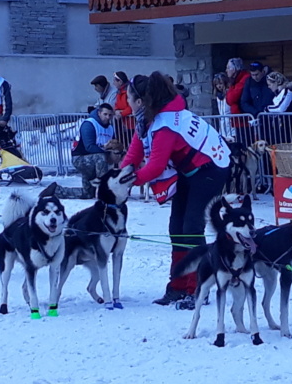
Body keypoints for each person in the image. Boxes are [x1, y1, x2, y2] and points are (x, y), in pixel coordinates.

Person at [119, 72, 231, 308]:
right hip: (189, 170)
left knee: (191, 227)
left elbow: (156, 166)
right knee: (176, 228)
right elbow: (134, 153)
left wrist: (129, 181)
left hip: (211, 169)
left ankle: (200, 286)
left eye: (127, 97)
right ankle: (179, 285)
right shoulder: (147, 118)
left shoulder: (165, 124)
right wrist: (118, 176)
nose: (125, 101)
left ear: (140, 101)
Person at [61, 103, 116, 199]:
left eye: (110, 115)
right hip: (80, 159)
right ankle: (104, 189)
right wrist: (108, 153)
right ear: (99, 113)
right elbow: (89, 147)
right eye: (105, 114)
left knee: (88, 193)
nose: (107, 117)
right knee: (102, 157)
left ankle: (56, 190)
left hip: (94, 161)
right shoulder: (89, 124)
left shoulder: (110, 128)